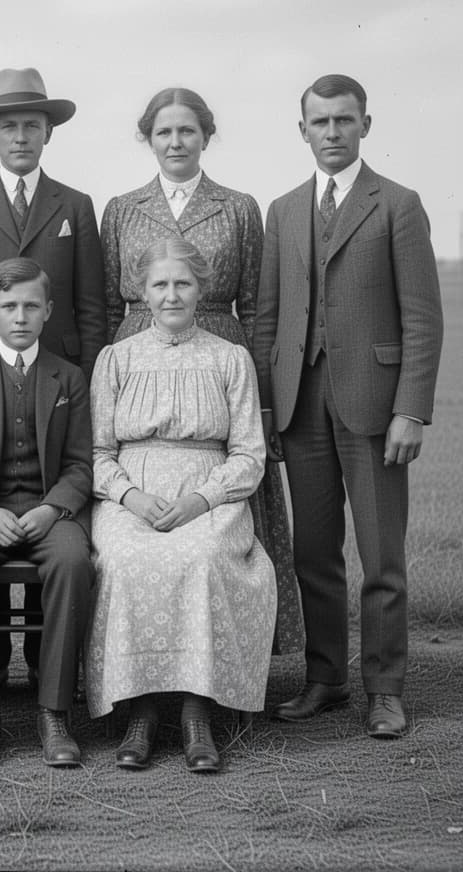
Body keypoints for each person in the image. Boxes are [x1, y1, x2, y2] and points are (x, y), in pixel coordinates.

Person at [253, 74, 443, 739]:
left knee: (381, 556)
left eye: (344, 120)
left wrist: (410, 409)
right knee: (314, 554)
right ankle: (326, 678)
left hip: (374, 408)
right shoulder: (282, 210)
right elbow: (269, 320)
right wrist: (268, 411)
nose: (332, 133)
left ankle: (385, 690)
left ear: (366, 124)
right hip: (301, 408)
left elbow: (422, 318)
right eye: (320, 122)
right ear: (301, 129)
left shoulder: (397, 204)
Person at [100, 86, 303, 656]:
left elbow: (259, 307)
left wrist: (263, 399)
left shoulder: (238, 206)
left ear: (206, 137)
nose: (175, 142)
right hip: (137, 354)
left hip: (217, 351)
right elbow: (106, 306)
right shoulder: (121, 208)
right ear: (148, 138)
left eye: (187, 130)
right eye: (163, 131)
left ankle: (231, 650)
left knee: (220, 530)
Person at [0, 66, 106, 690]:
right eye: (8, 126)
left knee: (59, 554)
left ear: (47, 134)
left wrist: (85, 384)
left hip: (56, 386)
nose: (20, 137)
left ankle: (43, 676)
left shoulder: (75, 206)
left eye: (31, 126)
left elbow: (89, 306)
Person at [86, 237, 276, 773]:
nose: (172, 295)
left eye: (183, 284)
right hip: (133, 496)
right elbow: (98, 452)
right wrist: (131, 496)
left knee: (203, 559)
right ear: (142, 292)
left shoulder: (229, 359)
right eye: (160, 284)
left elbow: (248, 455)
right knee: (123, 561)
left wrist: (200, 500)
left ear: (202, 290)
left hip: (209, 496)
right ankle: (140, 713)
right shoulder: (116, 359)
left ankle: (198, 714)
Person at [0, 259, 93, 767]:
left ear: (48, 310)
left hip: (49, 512)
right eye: (10, 306)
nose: (21, 316)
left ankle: (53, 711)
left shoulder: (68, 377)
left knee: (74, 562)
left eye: (32, 305)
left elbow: (79, 464)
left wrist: (54, 508)